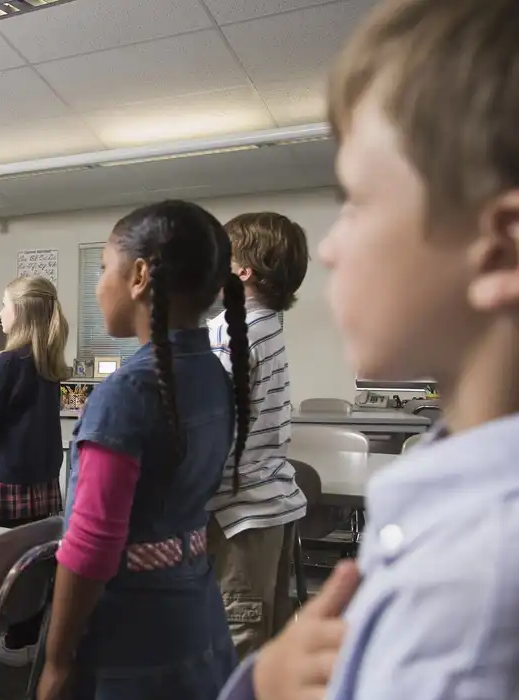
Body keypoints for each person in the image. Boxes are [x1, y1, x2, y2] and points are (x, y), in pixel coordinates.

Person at [220, 1, 519, 698]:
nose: (327, 248)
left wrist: (254, 685)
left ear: (499, 250)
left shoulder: (468, 599)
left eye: (354, 202)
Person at [36, 200, 251, 700]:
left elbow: (89, 549)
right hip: (198, 623)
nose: (98, 286)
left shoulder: (127, 395)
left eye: (103, 269)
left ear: (137, 276)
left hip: (131, 643)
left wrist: (56, 660)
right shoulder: (214, 377)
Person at [205, 212, 309, 657]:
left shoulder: (232, 332)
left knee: (236, 633)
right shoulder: (267, 325)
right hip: (269, 505)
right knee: (267, 626)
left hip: (239, 514)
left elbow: (213, 427)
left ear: (242, 270)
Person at [0, 274, 70, 666]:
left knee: (6, 566)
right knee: (34, 564)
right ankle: (26, 638)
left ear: (21, 313)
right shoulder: (46, 361)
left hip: (9, 482)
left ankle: (11, 644)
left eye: (3, 305)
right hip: (43, 483)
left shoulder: (7, 362)